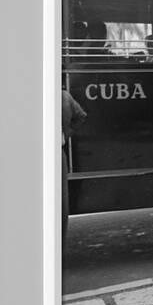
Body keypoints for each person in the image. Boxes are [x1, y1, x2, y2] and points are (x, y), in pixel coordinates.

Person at [62, 89, 88, 240]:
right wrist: (66, 134)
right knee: (61, 206)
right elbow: (81, 116)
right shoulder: (63, 96)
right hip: (58, 151)